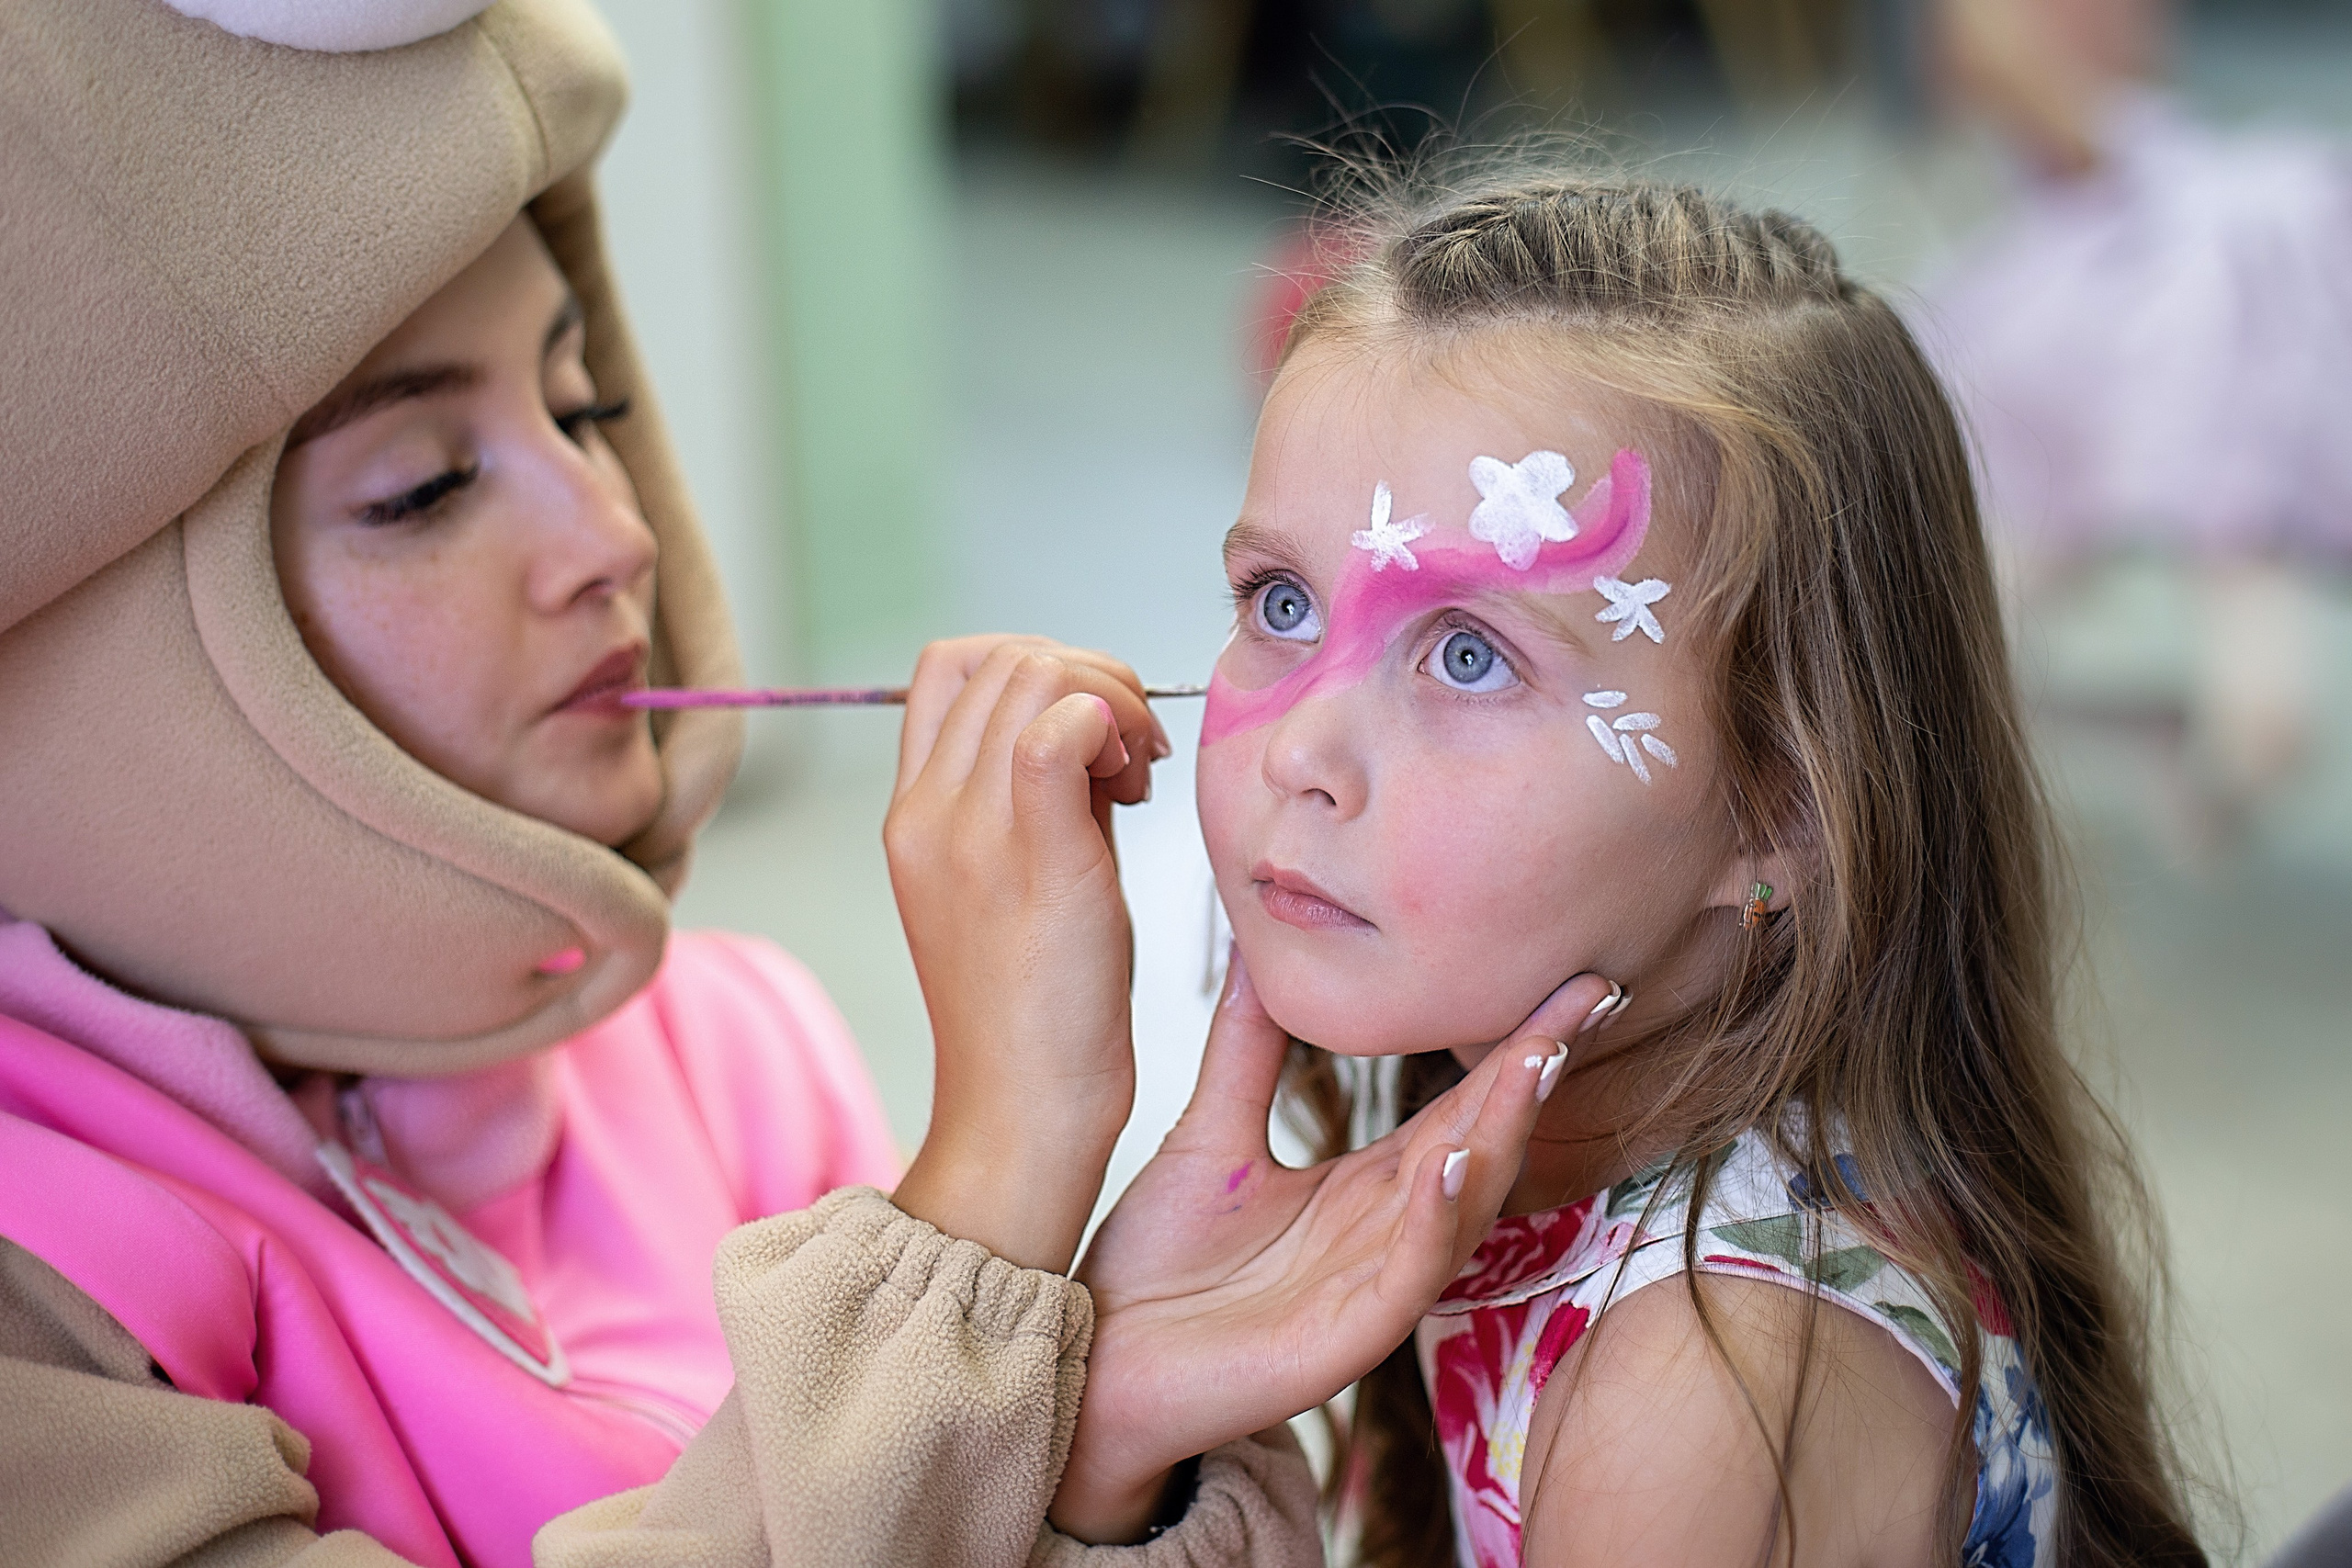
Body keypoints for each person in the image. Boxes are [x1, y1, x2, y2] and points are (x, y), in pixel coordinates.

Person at [1, 2, 1582, 1562]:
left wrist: (1101, 1460)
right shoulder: (43, 1307)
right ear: (79, 654)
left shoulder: (731, 1051)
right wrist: (986, 1191)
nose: (612, 536)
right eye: (423, 486)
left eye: (585, 406)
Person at [1061, 166, 2211, 1566]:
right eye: (1282, 602)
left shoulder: (1701, 1397)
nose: (1303, 743)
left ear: (1780, 803)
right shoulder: (1573, 1149)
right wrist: (1122, 1416)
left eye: (1470, 655)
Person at [1916, 0, 2352, 838]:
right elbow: (2017, 94)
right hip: (2117, 288)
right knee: (1985, 607)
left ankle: (2198, 743)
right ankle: (2188, 742)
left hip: (2144, 285)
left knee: (1994, 603)